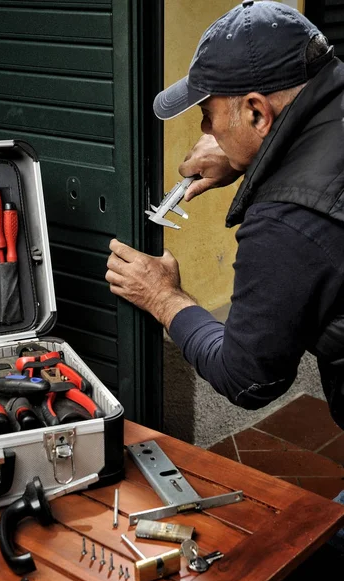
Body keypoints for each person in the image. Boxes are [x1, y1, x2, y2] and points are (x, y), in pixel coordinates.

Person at [106, 1, 344, 431]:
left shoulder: (286, 221)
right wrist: (248, 154)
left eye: (207, 117)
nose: (205, 134)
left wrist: (163, 297)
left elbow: (250, 379)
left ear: (257, 111)